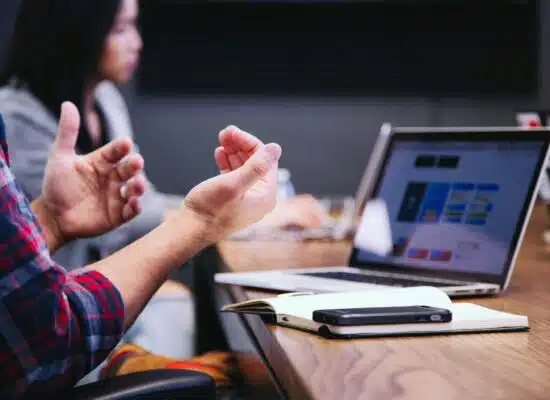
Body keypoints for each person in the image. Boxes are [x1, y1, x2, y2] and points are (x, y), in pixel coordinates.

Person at [0, 0, 326, 361]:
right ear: (75, 34)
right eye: (121, 28)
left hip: (88, 300)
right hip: (59, 317)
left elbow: (140, 202)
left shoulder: (105, 101)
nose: (137, 42)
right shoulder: (15, 119)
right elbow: (132, 220)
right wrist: (231, 217)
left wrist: (220, 214)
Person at [0, 101, 282, 397]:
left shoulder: (107, 101)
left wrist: (49, 221)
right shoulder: (18, 112)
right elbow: (46, 338)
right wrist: (201, 221)